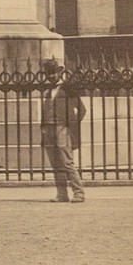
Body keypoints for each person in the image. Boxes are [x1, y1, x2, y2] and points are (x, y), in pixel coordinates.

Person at [42, 61, 88, 204]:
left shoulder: (68, 88)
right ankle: (61, 194)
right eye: (48, 73)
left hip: (62, 128)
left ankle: (79, 193)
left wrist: (70, 126)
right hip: (48, 129)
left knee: (67, 162)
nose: (51, 75)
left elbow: (82, 110)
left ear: (59, 72)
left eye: (53, 72)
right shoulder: (49, 91)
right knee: (55, 164)